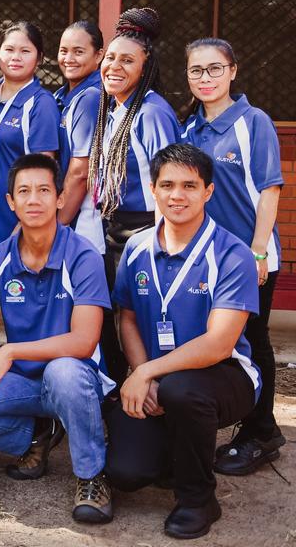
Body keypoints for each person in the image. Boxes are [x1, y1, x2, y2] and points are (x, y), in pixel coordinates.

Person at [0, 154, 115, 525]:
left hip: (78, 377)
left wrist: (12, 350)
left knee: (64, 373)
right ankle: (38, 435)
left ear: (61, 198)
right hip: (28, 383)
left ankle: (91, 477)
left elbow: (83, 341)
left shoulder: (82, 255)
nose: (34, 200)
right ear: (10, 202)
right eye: (24, 191)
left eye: (44, 190)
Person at [105, 144, 260, 540]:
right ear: (153, 190)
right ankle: (175, 453)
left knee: (182, 390)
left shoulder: (231, 253)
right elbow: (127, 317)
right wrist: (143, 374)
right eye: (168, 185)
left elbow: (219, 343)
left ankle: (198, 499)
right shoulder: (137, 247)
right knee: (127, 473)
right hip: (157, 376)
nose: (178, 195)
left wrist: (147, 373)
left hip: (223, 376)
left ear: (208, 191)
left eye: (190, 185)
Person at [180, 38, 285, 475]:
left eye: (214, 69)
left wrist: (258, 250)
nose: (205, 78)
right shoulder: (190, 129)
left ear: (233, 70)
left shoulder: (252, 121)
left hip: (250, 257)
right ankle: (245, 423)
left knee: (254, 342)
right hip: (209, 261)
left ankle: (262, 433)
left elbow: (270, 189)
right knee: (227, 346)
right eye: (196, 71)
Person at [88, 7, 179, 384]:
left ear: (145, 67)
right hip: (114, 230)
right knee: (112, 317)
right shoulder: (113, 110)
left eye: (127, 60)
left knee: (142, 319)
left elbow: (170, 186)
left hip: (145, 232)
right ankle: (118, 393)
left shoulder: (152, 113)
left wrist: (164, 247)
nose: (114, 66)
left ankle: (153, 393)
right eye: (110, 58)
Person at [0, 22, 60, 254]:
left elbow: (43, 171)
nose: (16, 57)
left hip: (15, 225)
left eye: (25, 51)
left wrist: (22, 228)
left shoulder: (42, 104)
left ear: (39, 58)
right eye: (9, 49)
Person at [54, 20, 105, 252]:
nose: (68, 58)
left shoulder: (91, 97)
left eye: (79, 52)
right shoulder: (62, 95)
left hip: (82, 221)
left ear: (99, 55)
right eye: (64, 51)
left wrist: (55, 226)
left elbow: (80, 173)